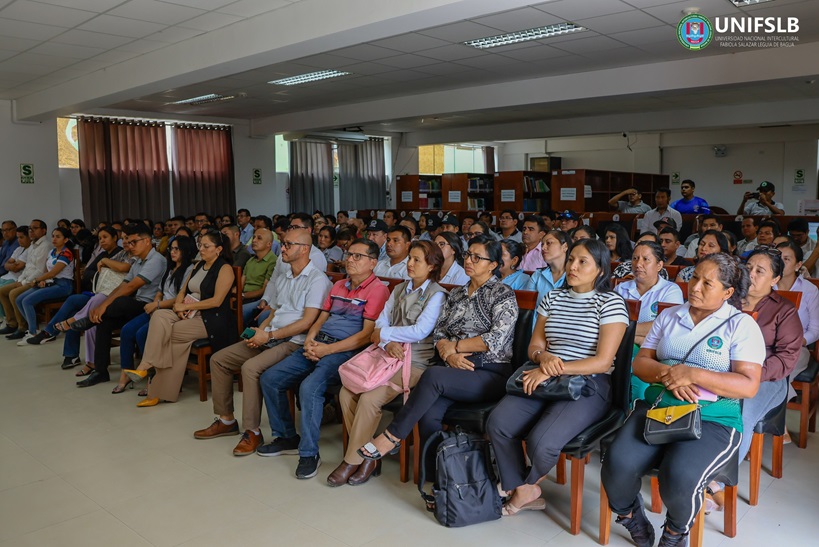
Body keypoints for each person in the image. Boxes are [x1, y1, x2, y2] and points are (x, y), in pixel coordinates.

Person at [602, 253, 764, 547]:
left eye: (707, 283)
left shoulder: (741, 326)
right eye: (694, 278)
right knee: (616, 466)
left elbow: (749, 385)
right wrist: (670, 373)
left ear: (728, 292)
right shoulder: (669, 316)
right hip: (658, 410)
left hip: (712, 418)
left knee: (679, 479)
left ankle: (676, 533)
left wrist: (692, 374)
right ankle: (631, 518)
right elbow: (641, 364)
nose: (696, 287)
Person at [487, 238, 629, 516]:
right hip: (546, 375)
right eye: (571, 259)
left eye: (582, 261)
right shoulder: (553, 297)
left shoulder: (610, 302)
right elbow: (535, 346)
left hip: (589, 383)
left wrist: (550, 367)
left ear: (601, 269)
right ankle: (522, 486)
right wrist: (542, 359)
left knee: (542, 442)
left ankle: (527, 484)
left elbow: (602, 361)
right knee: (498, 423)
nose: (573, 266)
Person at [357, 236, 518, 471]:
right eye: (468, 255)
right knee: (429, 413)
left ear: (493, 264)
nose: (469, 261)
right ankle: (433, 480)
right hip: (453, 369)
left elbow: (495, 339)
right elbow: (440, 331)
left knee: (431, 376)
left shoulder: (503, 294)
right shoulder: (457, 294)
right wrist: (449, 354)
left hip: (488, 371)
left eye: (477, 257)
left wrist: (456, 347)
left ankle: (391, 436)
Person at [257, 239, 390, 480]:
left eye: (358, 256)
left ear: (373, 262)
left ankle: (309, 454)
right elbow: (321, 318)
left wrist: (327, 351)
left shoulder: (378, 290)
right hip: (320, 343)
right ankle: (287, 436)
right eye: (349, 254)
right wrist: (310, 340)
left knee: (310, 387)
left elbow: (366, 335)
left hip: (347, 352)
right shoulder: (339, 285)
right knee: (271, 378)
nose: (350, 259)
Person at [193, 229, 332, 455]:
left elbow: (307, 322)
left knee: (250, 368)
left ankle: (252, 432)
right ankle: (226, 420)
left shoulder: (317, 280)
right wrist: (262, 330)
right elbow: (273, 311)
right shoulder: (286, 276)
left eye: (288, 245)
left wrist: (269, 336)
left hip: (293, 342)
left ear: (305, 249)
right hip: (271, 335)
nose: (282, 249)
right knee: (219, 359)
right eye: (283, 244)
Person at [330, 240, 447, 486]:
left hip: (414, 364)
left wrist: (385, 337)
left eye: (417, 260)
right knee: (346, 392)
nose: (410, 264)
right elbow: (380, 324)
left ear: (432, 266)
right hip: (387, 356)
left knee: (370, 398)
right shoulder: (398, 289)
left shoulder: (437, 295)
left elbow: (419, 331)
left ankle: (353, 460)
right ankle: (370, 458)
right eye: (410, 259)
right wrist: (386, 343)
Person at [705, 246, 802, 510]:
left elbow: (786, 359)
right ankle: (691, 462)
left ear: (774, 280)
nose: (752, 274)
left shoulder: (784, 310)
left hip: (766, 379)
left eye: (760, 271)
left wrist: (747, 375)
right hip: (721, 371)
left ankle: (714, 483)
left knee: (741, 411)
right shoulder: (727, 301)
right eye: (749, 268)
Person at [124, 230, 236, 407]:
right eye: (201, 245)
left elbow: (216, 301)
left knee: (168, 334)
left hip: (211, 319)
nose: (202, 249)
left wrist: (187, 306)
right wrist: (177, 306)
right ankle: (150, 375)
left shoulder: (225, 268)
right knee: (160, 315)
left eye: (206, 246)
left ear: (219, 249)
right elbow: (183, 290)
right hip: (189, 313)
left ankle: (149, 377)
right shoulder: (198, 266)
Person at [77, 224, 167, 387]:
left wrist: (104, 306)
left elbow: (132, 287)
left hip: (150, 307)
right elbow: (122, 285)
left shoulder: (156, 260)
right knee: (103, 323)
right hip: (134, 305)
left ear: (147, 241)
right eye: (128, 242)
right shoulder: (138, 261)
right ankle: (100, 371)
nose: (130, 246)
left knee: (122, 301)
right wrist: (104, 304)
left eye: (134, 242)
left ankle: (88, 320)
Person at [111, 236, 196, 393]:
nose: (173, 252)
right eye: (172, 248)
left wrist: (157, 305)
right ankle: (126, 373)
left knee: (143, 333)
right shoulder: (170, 268)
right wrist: (157, 302)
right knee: (127, 330)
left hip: (172, 312)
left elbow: (181, 300)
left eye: (177, 249)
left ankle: (154, 378)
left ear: (187, 250)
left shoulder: (190, 270)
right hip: (159, 308)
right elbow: (160, 291)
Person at [25, 227, 127, 349]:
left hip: (110, 295)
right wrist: (102, 273)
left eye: (105, 237)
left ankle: (49, 332)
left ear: (115, 238)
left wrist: (103, 270)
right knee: (73, 309)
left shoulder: (121, 254)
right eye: (100, 238)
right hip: (95, 291)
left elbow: (118, 274)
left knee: (74, 308)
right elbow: (88, 272)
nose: (102, 241)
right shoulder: (103, 254)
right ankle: (70, 355)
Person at [13, 227, 75, 344]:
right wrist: (43, 281)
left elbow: (54, 272)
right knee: (19, 299)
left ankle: (32, 332)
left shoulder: (66, 253)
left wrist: (37, 280)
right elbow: (47, 272)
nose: (54, 239)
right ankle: (34, 328)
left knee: (27, 301)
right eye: (53, 236)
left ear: (66, 239)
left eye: (58, 237)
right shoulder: (52, 252)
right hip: (51, 283)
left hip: (63, 286)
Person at [775, 240, 819, 386]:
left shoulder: (810, 290)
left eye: (786, 259)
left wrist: (797, 342)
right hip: (766, 345)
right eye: (778, 258)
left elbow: (815, 329)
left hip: (796, 347)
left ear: (798, 265)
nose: (781, 263)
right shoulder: (764, 286)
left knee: (779, 372)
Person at [1, 220, 52, 340]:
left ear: (43, 230)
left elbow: (40, 270)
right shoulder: (32, 246)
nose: (31, 231)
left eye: (35, 228)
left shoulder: (46, 246)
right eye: (30, 228)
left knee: (13, 293)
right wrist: (21, 279)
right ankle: (12, 323)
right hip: (25, 279)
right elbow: (27, 267)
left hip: (36, 281)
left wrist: (23, 282)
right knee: (2, 291)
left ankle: (22, 327)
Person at [240, 228, 276, 326]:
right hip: (243, 296)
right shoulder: (251, 260)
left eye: (259, 238)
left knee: (239, 311)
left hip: (258, 299)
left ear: (269, 244)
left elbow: (264, 290)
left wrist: (242, 296)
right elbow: (241, 282)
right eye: (254, 237)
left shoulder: (273, 261)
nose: (254, 240)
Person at [531, 230, 570, 307]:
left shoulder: (574, 275)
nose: (543, 248)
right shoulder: (538, 275)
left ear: (564, 247)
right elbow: (528, 307)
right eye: (542, 244)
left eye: (549, 243)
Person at [0, 226, 30, 327]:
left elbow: (17, 267)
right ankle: (6, 319)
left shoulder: (30, 250)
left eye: (21, 237)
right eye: (18, 238)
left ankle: (13, 322)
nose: (19, 240)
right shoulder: (18, 249)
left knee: (5, 291)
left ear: (29, 237)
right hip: (8, 275)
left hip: (18, 278)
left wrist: (12, 265)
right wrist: (12, 265)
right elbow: (6, 264)